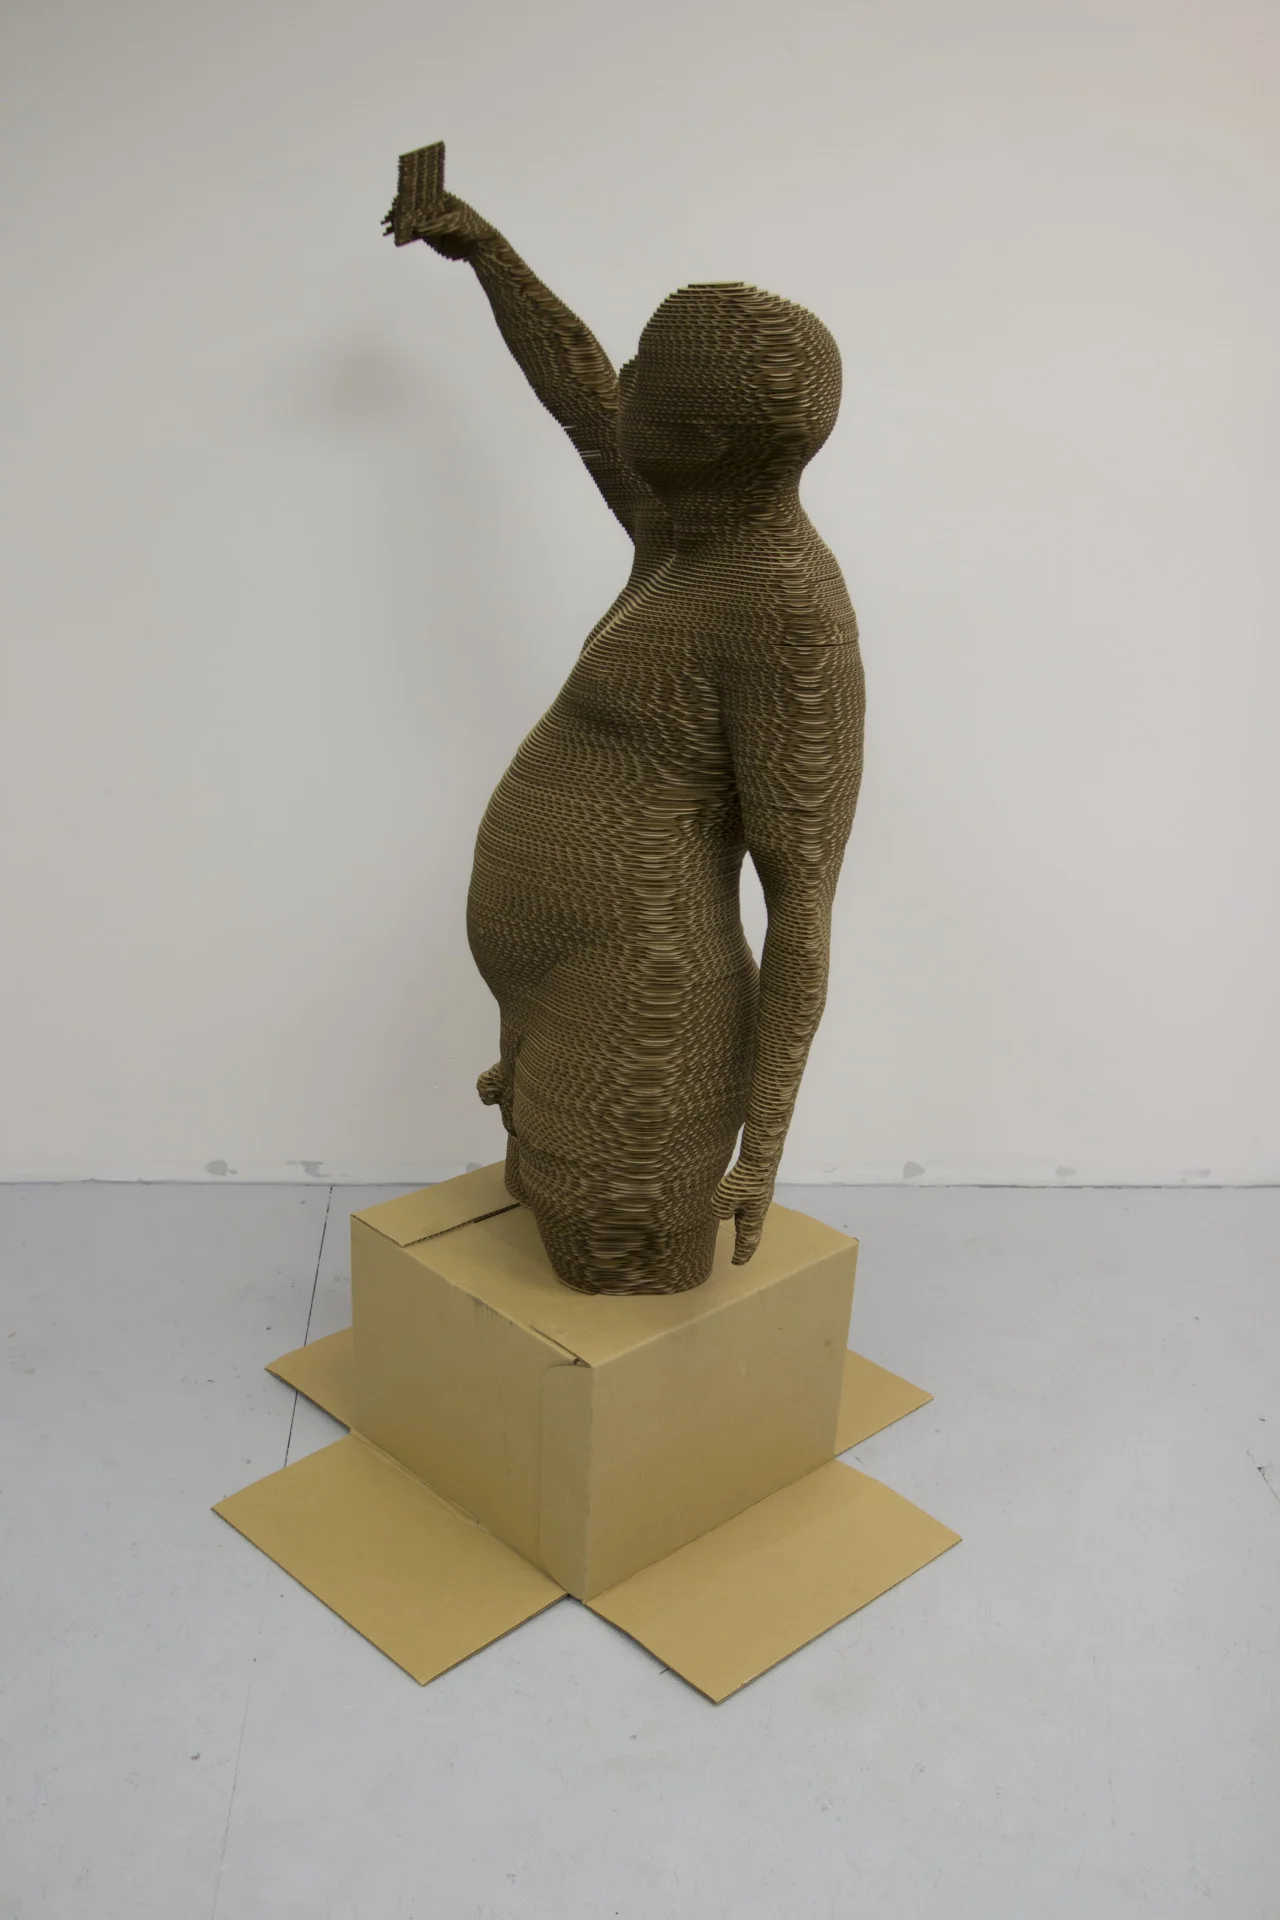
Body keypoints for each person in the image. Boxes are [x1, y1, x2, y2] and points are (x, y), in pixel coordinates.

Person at [390, 176, 865, 1294]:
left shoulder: (785, 609)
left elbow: (802, 906)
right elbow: (574, 386)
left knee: (615, 1275)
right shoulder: (686, 524)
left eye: (647, 373)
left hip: (643, 1030)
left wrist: (762, 1145)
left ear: (697, 436)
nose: (625, 381)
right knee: (548, 1266)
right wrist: (486, 252)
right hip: (551, 999)